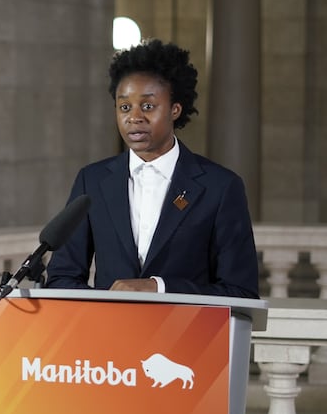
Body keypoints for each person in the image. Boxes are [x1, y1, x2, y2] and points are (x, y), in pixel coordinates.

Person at [43, 39, 259, 298]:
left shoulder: (221, 187)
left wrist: (159, 287)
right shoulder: (92, 179)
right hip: (109, 334)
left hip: (187, 335)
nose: (134, 117)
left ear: (175, 109)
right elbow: (61, 277)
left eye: (147, 106)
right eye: (124, 107)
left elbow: (241, 291)